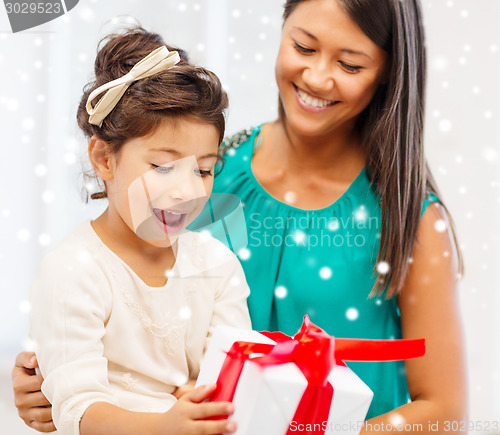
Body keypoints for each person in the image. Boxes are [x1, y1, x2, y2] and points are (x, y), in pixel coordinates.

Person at [13, 0, 467, 433]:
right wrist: (47, 376)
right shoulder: (213, 173)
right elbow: (123, 318)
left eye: (350, 64)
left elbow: (445, 412)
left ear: (388, 72)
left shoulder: (412, 219)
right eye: (304, 47)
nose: (317, 75)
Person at [18, 27, 252, 435]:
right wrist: (167, 423)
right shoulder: (74, 270)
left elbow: (237, 379)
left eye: (203, 169)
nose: (187, 191)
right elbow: (78, 409)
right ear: (104, 157)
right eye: (162, 166)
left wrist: (200, 396)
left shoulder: (216, 265)